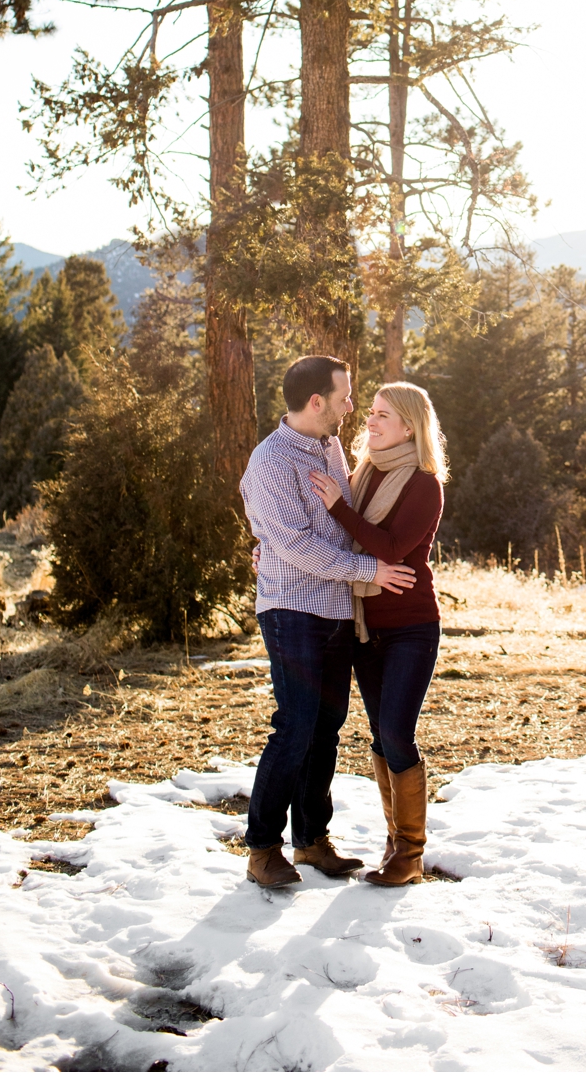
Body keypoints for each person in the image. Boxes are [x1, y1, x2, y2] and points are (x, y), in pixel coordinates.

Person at [238, 356, 415, 888]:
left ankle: (312, 840)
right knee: (294, 727)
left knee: (326, 728)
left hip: (337, 609)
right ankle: (262, 848)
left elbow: (336, 524)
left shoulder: (331, 446)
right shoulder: (269, 462)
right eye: (345, 395)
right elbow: (294, 545)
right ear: (317, 402)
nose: (352, 405)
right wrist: (371, 570)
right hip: (292, 611)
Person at [309, 380, 448, 888]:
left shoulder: (423, 484)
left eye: (383, 415)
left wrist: (337, 508)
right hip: (366, 628)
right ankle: (394, 843)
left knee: (396, 732)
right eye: (370, 411)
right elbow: (339, 544)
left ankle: (411, 854)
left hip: (411, 628)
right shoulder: (362, 473)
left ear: (408, 426)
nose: (370, 420)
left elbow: (388, 547)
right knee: (381, 738)